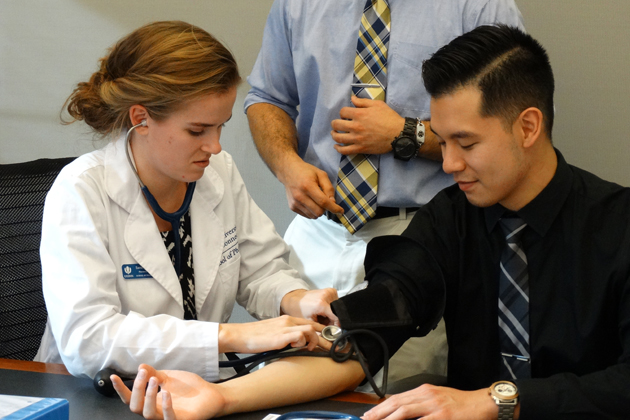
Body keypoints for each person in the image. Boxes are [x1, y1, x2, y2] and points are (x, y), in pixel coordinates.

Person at [115, 25, 630, 419]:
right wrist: (220, 398)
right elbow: (367, 331)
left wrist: (497, 401)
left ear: (528, 127)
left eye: (466, 143)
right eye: (442, 141)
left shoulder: (619, 225)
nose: (447, 164)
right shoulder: (452, 218)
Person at [35, 20, 339, 381]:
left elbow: (260, 269)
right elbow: (88, 339)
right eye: (197, 130)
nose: (214, 146)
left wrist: (296, 299)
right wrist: (231, 336)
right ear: (141, 118)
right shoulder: (81, 192)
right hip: (94, 395)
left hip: (196, 390)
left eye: (221, 125)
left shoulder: (216, 172)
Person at [244, 0, 525, 382]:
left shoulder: (478, 6)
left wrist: (406, 134)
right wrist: (287, 166)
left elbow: (510, 126)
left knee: (393, 399)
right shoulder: (297, 5)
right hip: (316, 233)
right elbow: (267, 98)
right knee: (282, 386)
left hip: (420, 242)